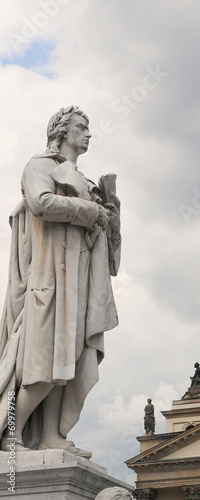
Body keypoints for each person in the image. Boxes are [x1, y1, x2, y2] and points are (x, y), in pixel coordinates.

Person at [0, 105, 121, 457]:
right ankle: (12, 437)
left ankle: (51, 434)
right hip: (47, 279)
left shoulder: (86, 183)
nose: (88, 133)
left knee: (63, 364)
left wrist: (110, 212)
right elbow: (40, 203)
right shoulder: (40, 165)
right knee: (40, 367)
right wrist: (91, 211)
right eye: (82, 126)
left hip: (77, 282)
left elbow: (109, 252)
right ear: (62, 131)